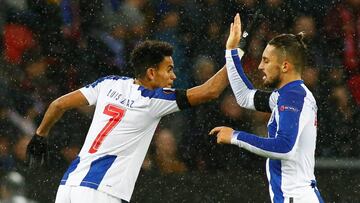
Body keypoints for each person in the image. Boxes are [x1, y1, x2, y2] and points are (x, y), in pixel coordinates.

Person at [24, 14, 240, 203]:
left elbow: (58, 104)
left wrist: (40, 136)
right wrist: (236, 54)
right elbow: (210, 91)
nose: (174, 76)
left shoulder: (108, 83)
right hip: (101, 190)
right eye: (169, 70)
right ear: (151, 73)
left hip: (68, 185)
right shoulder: (153, 99)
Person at [209, 14, 324, 203]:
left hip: (296, 198)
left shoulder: (293, 97)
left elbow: (284, 147)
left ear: (285, 66)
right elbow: (245, 97)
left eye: (266, 61)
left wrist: (235, 136)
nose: (261, 66)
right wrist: (231, 52)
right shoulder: (286, 95)